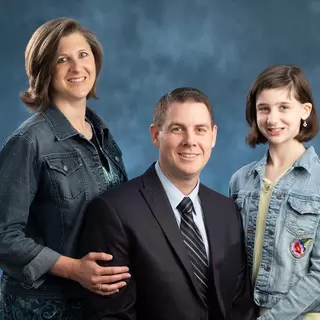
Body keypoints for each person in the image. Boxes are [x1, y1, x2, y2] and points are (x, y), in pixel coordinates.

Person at [78, 87, 255, 320]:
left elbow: (240, 306)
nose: (190, 141)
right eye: (177, 129)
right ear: (155, 135)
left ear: (213, 136)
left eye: (200, 130)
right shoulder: (114, 211)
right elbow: (111, 315)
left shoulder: (227, 211)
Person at [0, 18, 131, 319]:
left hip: (92, 306)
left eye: (83, 55)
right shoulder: (29, 141)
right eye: (62, 59)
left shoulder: (101, 134)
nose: (76, 67)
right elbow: (3, 235)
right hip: (40, 308)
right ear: (44, 70)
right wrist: (73, 269)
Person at [229, 65, 320, 319]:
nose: (272, 119)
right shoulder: (241, 180)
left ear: (305, 111)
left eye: (284, 107)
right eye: (264, 108)